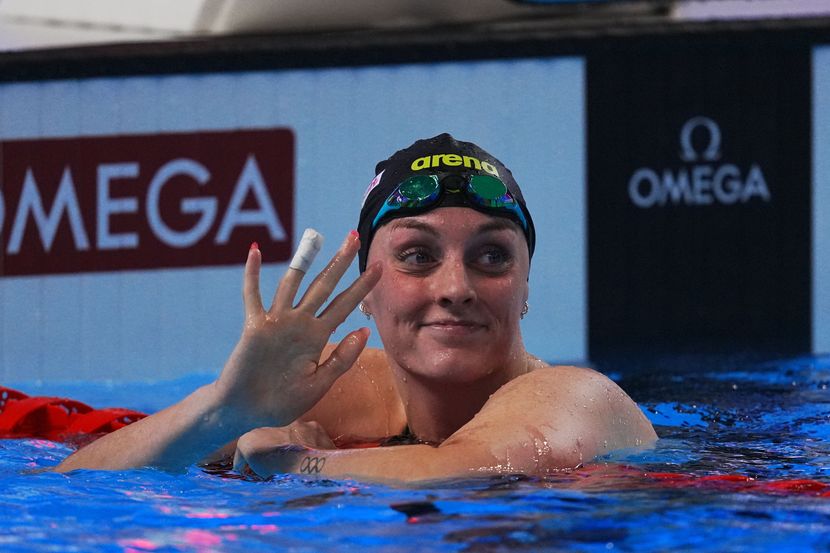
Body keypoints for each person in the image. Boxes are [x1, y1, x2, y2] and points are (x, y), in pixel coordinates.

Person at [56, 133, 656, 482]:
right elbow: (69, 483)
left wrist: (299, 465)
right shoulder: (334, 382)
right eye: (419, 256)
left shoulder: (575, 397)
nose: (456, 287)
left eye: (492, 257)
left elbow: (475, 472)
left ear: (526, 287)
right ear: (367, 292)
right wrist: (226, 408)